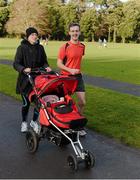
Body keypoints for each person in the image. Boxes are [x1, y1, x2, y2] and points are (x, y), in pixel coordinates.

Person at [13, 27, 52, 133]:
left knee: (39, 103)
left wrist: (47, 66)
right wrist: (24, 69)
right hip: (25, 81)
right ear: (27, 36)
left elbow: (44, 61)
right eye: (32, 35)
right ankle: (24, 122)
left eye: (35, 34)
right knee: (26, 104)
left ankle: (34, 121)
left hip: (39, 80)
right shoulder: (22, 48)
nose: (34, 36)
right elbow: (16, 64)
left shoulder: (40, 48)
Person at [57, 23, 86, 136]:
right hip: (66, 77)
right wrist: (70, 70)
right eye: (72, 31)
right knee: (65, 103)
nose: (75, 33)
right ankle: (64, 126)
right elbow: (59, 63)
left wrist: (78, 69)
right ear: (69, 33)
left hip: (77, 77)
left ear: (79, 32)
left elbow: (78, 59)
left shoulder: (82, 46)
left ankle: (77, 125)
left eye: (76, 31)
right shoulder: (65, 46)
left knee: (82, 102)